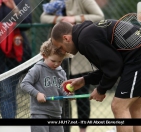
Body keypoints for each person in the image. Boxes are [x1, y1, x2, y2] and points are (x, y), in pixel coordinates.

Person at [50, 20, 141, 132]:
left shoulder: (85, 40)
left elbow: (114, 66)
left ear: (66, 38)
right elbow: (109, 66)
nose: (63, 51)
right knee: (135, 107)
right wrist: (84, 80)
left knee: (118, 106)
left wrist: (101, 90)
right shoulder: (88, 33)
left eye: (60, 47)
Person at [40, 0, 104, 132]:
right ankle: (64, 128)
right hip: (60, 54)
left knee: (81, 93)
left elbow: (99, 16)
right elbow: (43, 17)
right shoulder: (55, 1)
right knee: (62, 94)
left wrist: (74, 19)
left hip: (79, 56)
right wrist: (60, 19)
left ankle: (82, 129)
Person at [21, 38, 72, 132]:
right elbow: (24, 84)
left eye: (60, 61)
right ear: (44, 56)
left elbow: (63, 91)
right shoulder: (38, 69)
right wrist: (37, 94)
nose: (57, 64)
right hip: (39, 113)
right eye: (53, 61)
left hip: (56, 113)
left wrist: (68, 95)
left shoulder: (61, 72)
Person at [0, 0, 32, 118]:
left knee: (8, 93)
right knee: (6, 93)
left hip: (16, 55)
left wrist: (14, 8)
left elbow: (27, 23)